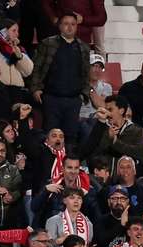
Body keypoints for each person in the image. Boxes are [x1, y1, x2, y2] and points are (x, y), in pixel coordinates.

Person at [31, 12, 91, 146]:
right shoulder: (48, 43)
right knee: (50, 135)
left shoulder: (83, 47)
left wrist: (84, 94)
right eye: (66, 24)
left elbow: (86, 73)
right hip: (51, 98)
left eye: (73, 24)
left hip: (74, 100)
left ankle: (69, 160)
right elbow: (37, 68)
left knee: (71, 136)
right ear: (60, 26)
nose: (70, 27)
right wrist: (35, 89)